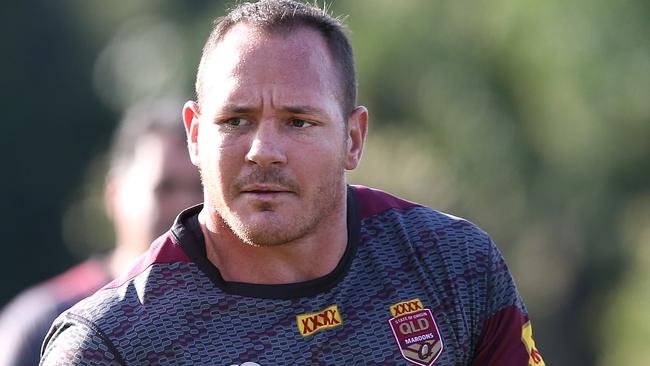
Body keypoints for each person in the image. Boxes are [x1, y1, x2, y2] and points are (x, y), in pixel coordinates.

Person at [40, 1, 545, 365]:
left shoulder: (454, 267)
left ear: (353, 138)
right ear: (195, 136)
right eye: (235, 120)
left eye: (298, 121)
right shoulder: (108, 344)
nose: (263, 150)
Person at [0, 99, 202, 366]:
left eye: (199, 188)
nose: (184, 205)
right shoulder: (43, 323)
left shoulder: (240, 316)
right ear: (115, 193)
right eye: (164, 187)